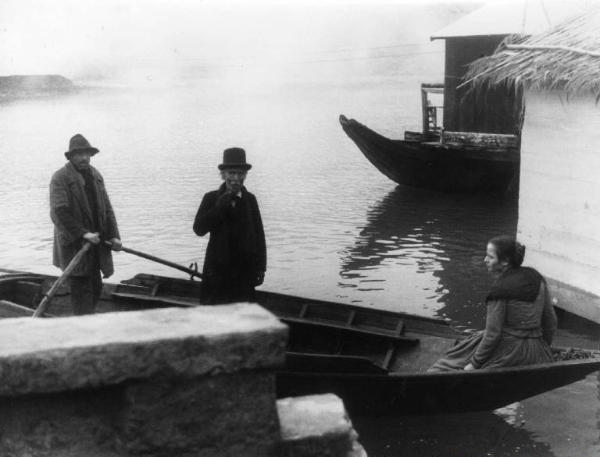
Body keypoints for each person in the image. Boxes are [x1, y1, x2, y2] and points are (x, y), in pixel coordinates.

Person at [429, 235, 557, 372]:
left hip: (510, 352)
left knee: (441, 367)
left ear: (505, 261)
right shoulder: (537, 278)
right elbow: (551, 321)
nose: (485, 260)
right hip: (537, 351)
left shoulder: (500, 289)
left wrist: (474, 364)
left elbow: (493, 335)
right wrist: (544, 349)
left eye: (490, 257)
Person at [50, 133, 122, 315]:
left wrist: (115, 237)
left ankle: (87, 321)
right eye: (79, 154)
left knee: (96, 288)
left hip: (97, 246)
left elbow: (107, 209)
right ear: (71, 156)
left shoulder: (95, 175)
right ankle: (82, 329)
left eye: (87, 154)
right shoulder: (60, 177)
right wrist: (83, 234)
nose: (84, 158)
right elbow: (59, 213)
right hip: (76, 247)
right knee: (81, 292)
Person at [193, 147, 266, 304]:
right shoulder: (211, 198)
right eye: (232, 173)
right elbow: (198, 229)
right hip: (217, 271)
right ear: (223, 174)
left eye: (240, 174)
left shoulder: (250, 200)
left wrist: (261, 268)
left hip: (244, 273)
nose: (236, 178)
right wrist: (220, 207)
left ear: (245, 176)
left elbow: (259, 235)